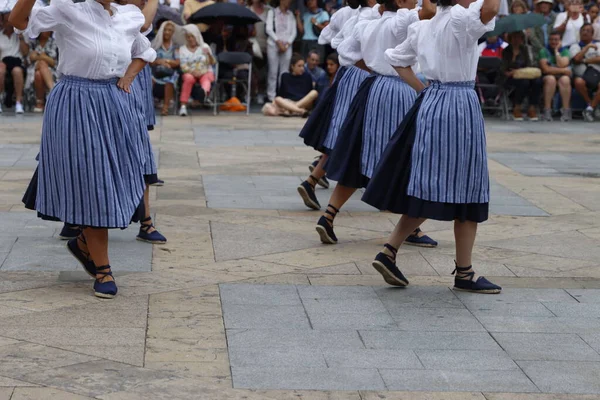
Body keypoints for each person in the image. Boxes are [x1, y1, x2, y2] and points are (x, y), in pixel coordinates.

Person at [11, 0, 157, 298]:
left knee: (124, 178)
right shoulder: (68, 9)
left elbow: (143, 51)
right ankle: (103, 269)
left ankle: (82, 244)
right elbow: (19, 20)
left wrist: (127, 77)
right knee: (93, 182)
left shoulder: (128, 16)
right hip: (75, 100)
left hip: (114, 101)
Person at [362, 0, 502, 294]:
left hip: (433, 100)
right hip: (458, 104)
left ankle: (391, 250)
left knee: (433, 183)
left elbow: (398, 60)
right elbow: (489, 10)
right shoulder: (459, 19)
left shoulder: (423, 26)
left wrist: (422, 90)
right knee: (467, 185)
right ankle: (463, 272)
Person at [319, 0, 437, 246]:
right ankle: (411, 229)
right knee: (407, 156)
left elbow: (346, 55)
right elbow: (431, 11)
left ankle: (328, 215)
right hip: (398, 89)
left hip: (372, 87)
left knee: (359, 155)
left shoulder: (369, 23)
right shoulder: (403, 19)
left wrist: (374, 65)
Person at [297, 0, 378, 211]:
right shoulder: (371, 16)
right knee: (347, 134)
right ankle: (314, 179)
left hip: (349, 73)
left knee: (342, 132)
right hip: (361, 75)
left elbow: (331, 39)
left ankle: (315, 178)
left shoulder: (349, 14)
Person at [502, 31, 542, 120]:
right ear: (510, 39)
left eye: (519, 37)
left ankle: (532, 107)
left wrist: (520, 70)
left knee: (538, 81)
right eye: (514, 37)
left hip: (524, 73)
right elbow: (504, 67)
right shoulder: (506, 50)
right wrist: (513, 59)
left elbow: (528, 64)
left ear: (522, 39)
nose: (516, 40)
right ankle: (517, 107)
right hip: (510, 76)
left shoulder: (525, 50)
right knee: (524, 83)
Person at [178, 24, 216, 116]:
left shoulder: (205, 46)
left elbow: (213, 62)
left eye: (192, 36)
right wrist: (193, 72)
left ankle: (202, 95)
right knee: (188, 78)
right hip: (190, 72)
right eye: (188, 37)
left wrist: (209, 55)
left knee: (206, 78)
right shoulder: (182, 49)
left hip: (204, 71)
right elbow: (183, 66)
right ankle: (183, 107)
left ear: (197, 36)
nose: (191, 39)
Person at [265, 0, 297, 102]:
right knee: (273, 72)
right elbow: (268, 29)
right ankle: (271, 96)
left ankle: (282, 95)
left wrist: (287, 44)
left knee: (284, 72)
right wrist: (278, 42)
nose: (289, 2)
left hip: (287, 46)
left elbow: (294, 32)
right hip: (273, 45)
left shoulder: (290, 14)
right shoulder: (272, 12)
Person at [151, 20, 182, 116]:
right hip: (156, 71)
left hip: (170, 72)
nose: (167, 32)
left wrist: (166, 62)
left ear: (173, 33)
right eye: (165, 30)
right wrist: (159, 62)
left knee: (170, 81)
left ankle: (165, 107)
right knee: (148, 79)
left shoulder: (175, 47)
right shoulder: (156, 45)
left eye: (170, 30)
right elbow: (150, 60)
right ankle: (147, 105)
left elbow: (177, 62)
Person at [539, 31, 572, 120]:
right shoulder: (543, 51)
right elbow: (545, 69)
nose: (553, 42)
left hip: (561, 77)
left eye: (556, 40)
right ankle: (547, 110)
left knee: (565, 80)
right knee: (551, 79)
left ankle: (566, 111)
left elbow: (562, 64)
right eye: (551, 40)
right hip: (548, 76)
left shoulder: (565, 51)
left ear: (560, 41)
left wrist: (556, 51)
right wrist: (563, 70)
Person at [0, 12, 28, 114]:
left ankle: (18, 103)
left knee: (17, 71)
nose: (9, 23)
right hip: (3, 62)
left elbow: (25, 52)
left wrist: (20, 37)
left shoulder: (21, 35)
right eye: (7, 20)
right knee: (0, 70)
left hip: (17, 62)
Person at [570, 23, 600, 121]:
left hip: (597, 74)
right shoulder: (575, 46)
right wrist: (587, 47)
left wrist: (585, 60)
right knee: (578, 82)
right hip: (582, 76)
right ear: (580, 32)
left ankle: (589, 109)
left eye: (588, 31)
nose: (585, 32)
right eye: (583, 30)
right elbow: (576, 59)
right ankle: (591, 105)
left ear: (592, 34)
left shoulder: (598, 44)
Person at [27, 31, 57, 113]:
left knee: (39, 71)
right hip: (33, 69)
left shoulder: (54, 42)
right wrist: (44, 57)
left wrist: (38, 57)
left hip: (51, 71)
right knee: (39, 68)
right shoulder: (33, 43)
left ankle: (39, 102)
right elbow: (29, 59)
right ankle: (53, 91)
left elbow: (53, 62)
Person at [248, 0, 271, 104]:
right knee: (253, 72)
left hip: (267, 45)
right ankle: (251, 93)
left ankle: (261, 93)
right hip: (253, 45)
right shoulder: (248, 10)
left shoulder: (269, 10)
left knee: (264, 72)